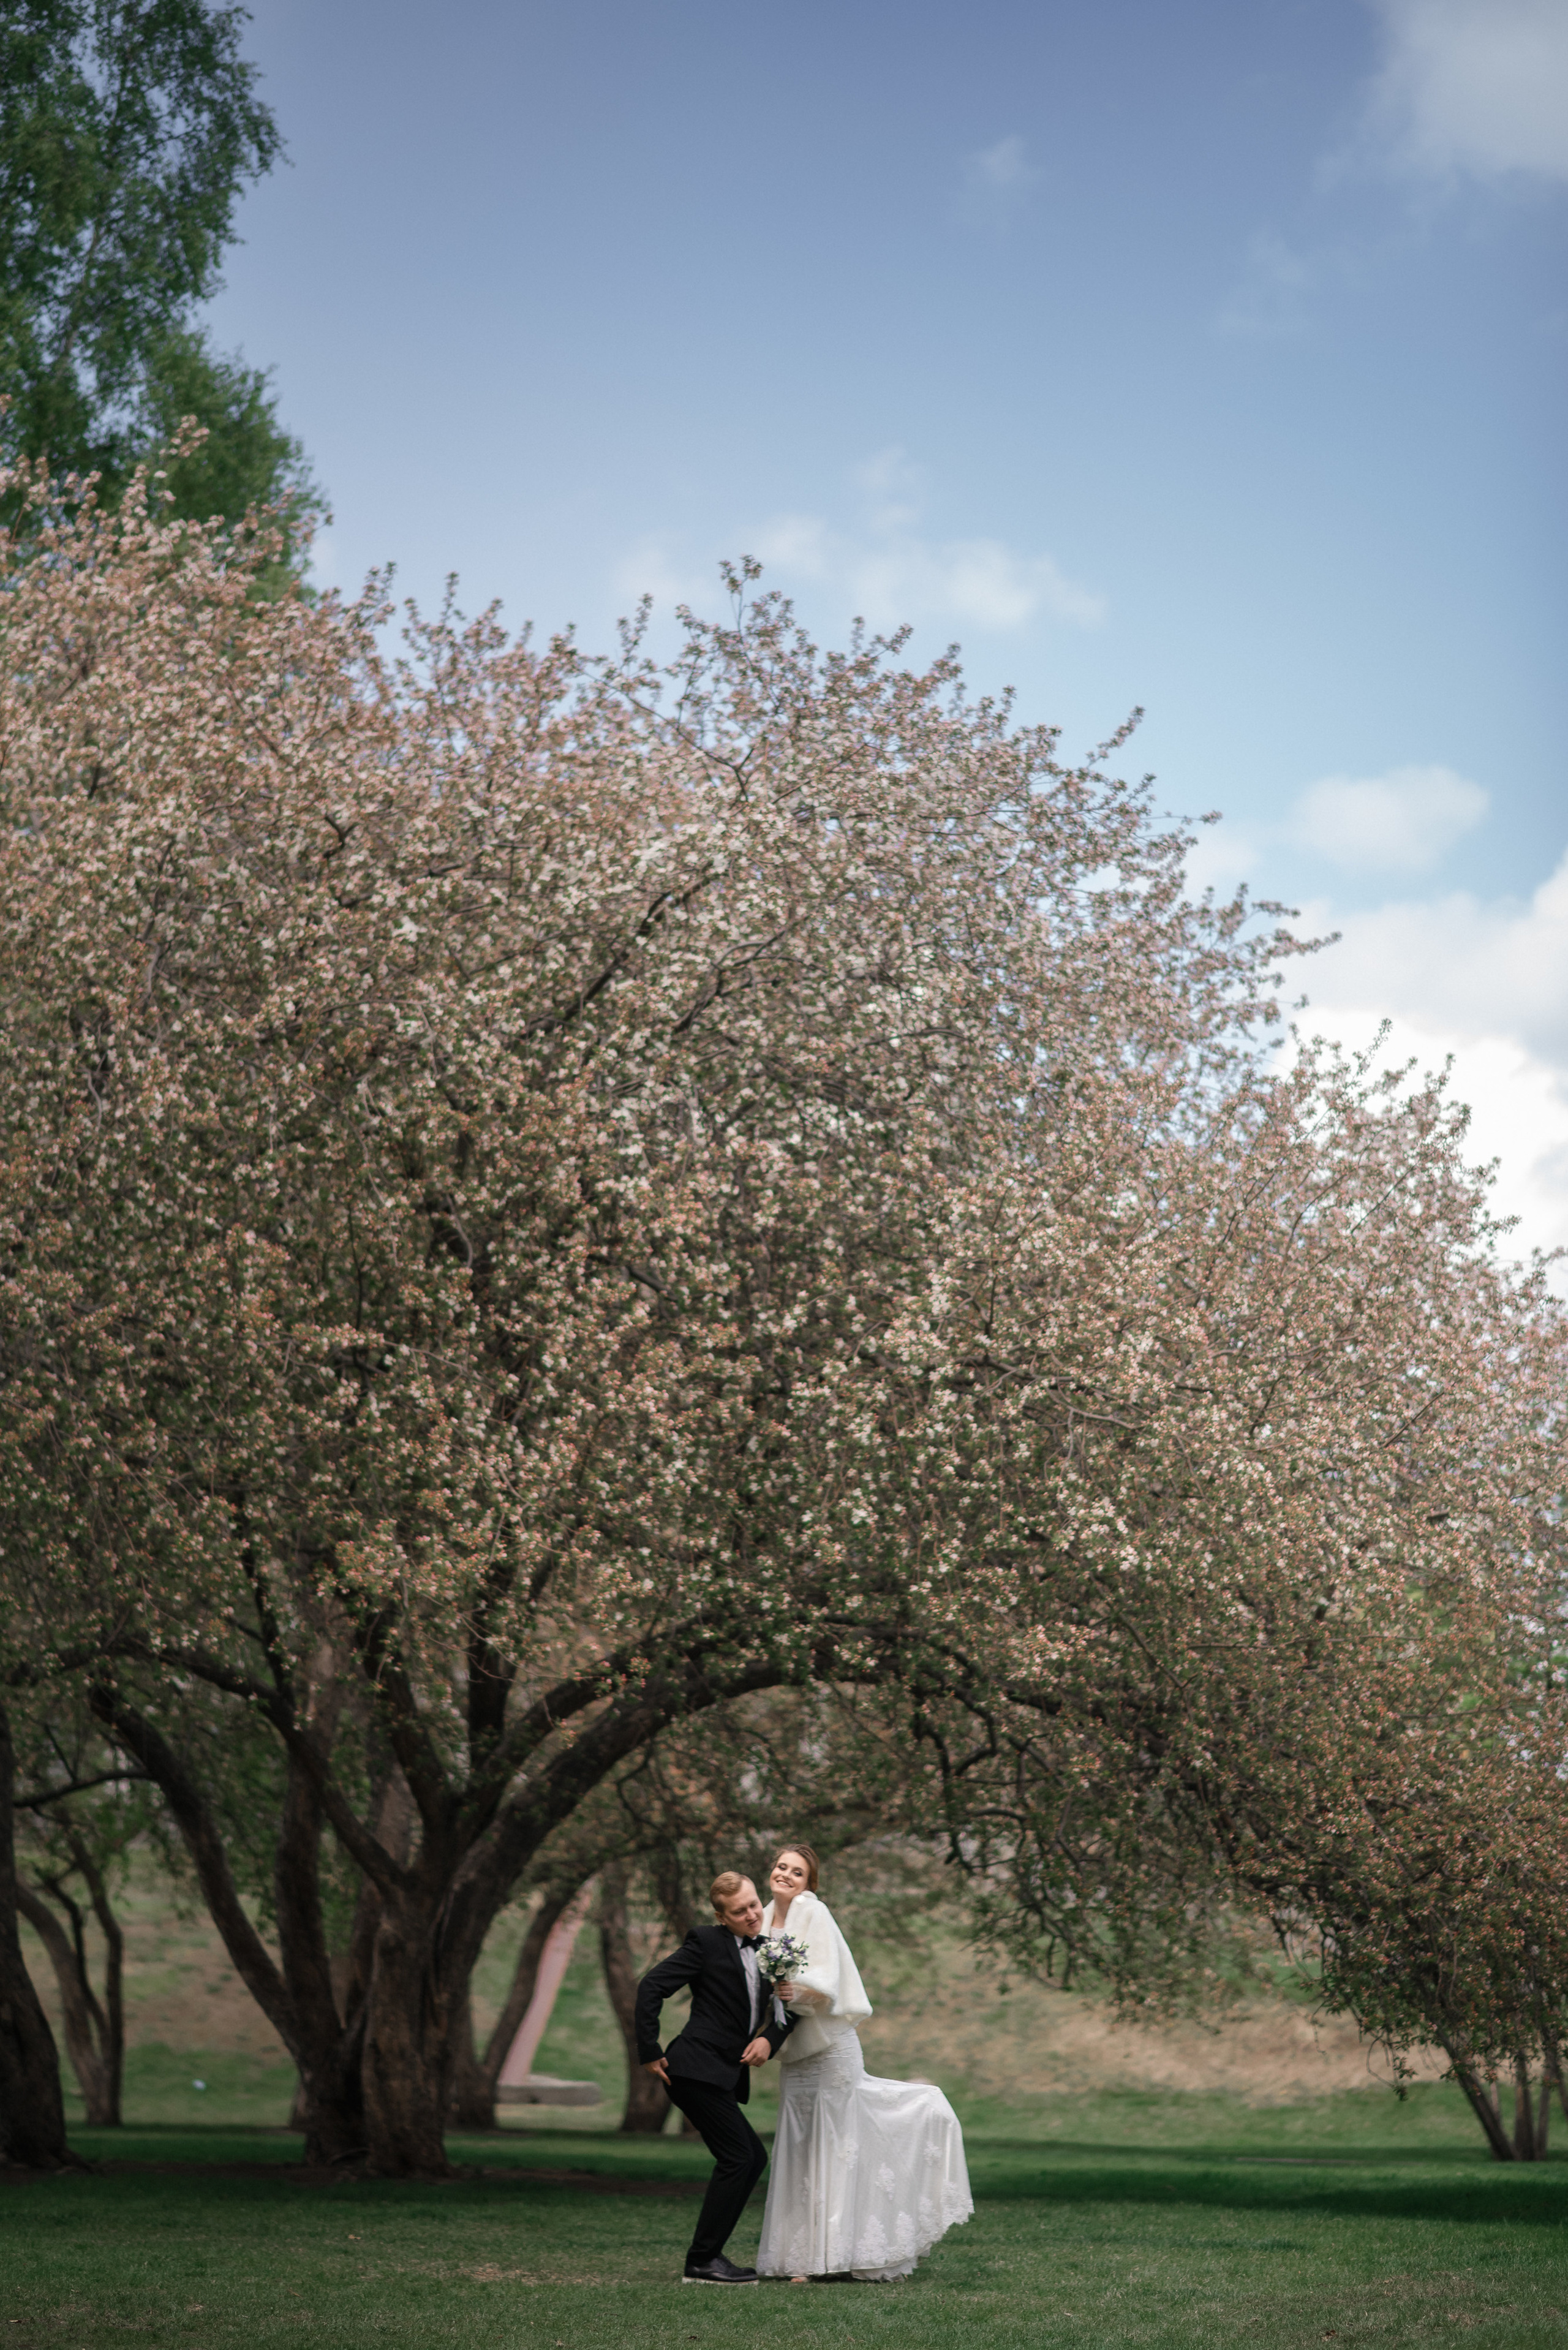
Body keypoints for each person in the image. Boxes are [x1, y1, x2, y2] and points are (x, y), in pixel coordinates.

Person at [755, 1842, 973, 2283]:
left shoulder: (814, 1914)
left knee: (835, 2145)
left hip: (831, 2048)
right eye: (781, 1867)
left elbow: (827, 1977)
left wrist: (790, 1987)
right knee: (800, 2145)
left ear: (808, 1883)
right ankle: (797, 2256)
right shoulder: (758, 1921)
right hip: (795, 2055)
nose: (786, 1876)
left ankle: (828, 2257)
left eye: (796, 1872)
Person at [635, 1868, 797, 2285]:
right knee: (739, 2158)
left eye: (753, 1905)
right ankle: (703, 2261)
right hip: (692, 2068)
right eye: (739, 1911)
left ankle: (708, 2257)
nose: (751, 1914)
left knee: (751, 2158)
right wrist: (650, 2051)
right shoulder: (705, 1943)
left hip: (720, 2073)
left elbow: (786, 2010)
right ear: (723, 1917)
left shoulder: (770, 1950)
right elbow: (651, 1987)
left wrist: (769, 2042)